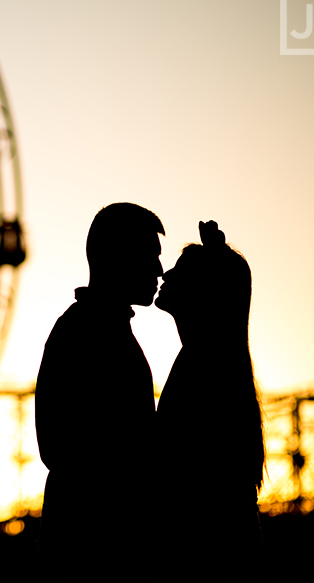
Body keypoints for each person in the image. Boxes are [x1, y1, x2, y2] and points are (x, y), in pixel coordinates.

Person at [35, 203, 164, 581]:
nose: (158, 270)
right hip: (95, 550)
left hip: (82, 541)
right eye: (150, 256)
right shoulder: (89, 334)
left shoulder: (85, 330)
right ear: (118, 257)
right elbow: (60, 447)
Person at [153, 221, 265, 580]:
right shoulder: (214, 365)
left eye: (180, 272)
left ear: (203, 292)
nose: (165, 274)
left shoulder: (200, 368)